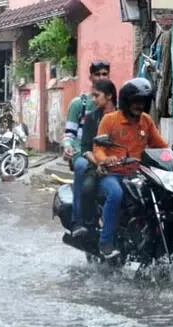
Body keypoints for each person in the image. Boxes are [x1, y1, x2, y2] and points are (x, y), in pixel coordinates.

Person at [92, 77, 169, 259]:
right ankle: (106, 242)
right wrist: (105, 160)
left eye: (143, 101)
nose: (139, 105)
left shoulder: (146, 121)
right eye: (135, 101)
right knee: (115, 194)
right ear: (126, 101)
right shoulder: (110, 120)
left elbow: (160, 145)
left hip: (138, 174)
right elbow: (98, 148)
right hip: (113, 175)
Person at [62, 60, 111, 235]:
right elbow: (69, 134)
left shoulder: (113, 102)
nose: (101, 77)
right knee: (82, 167)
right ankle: (77, 221)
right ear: (90, 77)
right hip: (82, 151)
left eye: (104, 74)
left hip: (107, 152)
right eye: (97, 74)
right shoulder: (79, 104)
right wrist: (68, 147)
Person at [71, 79, 118, 238]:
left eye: (96, 96)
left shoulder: (123, 117)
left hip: (121, 165)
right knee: (88, 188)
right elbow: (86, 148)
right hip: (96, 164)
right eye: (92, 96)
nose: (93, 100)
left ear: (109, 96)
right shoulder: (91, 118)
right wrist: (100, 163)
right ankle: (87, 225)